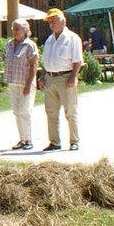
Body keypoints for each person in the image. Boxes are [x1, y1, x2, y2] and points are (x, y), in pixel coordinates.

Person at [40, 8, 83, 151]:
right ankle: (54, 142)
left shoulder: (72, 38)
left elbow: (77, 61)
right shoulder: (49, 39)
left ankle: (74, 141)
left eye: (54, 20)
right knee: (51, 111)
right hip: (50, 77)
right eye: (49, 21)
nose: (52, 23)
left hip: (66, 76)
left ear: (63, 21)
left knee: (70, 110)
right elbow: (45, 61)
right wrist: (43, 77)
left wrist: (73, 77)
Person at [4, 18, 39, 151]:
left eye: (17, 29)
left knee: (25, 111)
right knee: (16, 112)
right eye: (13, 29)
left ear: (25, 30)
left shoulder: (30, 45)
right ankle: (22, 139)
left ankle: (29, 139)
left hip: (25, 83)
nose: (15, 31)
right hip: (13, 81)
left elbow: (33, 65)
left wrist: (29, 84)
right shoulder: (9, 44)